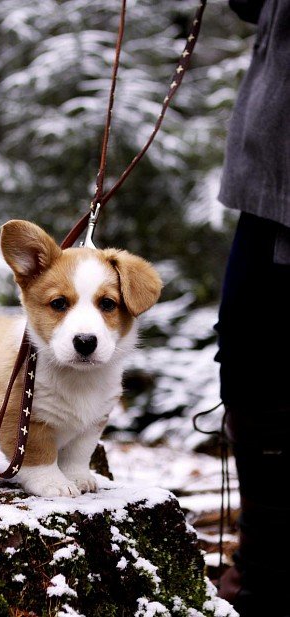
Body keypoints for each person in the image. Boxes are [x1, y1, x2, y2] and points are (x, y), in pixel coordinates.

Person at [214, 1, 290, 615]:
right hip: (268, 183)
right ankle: (264, 566)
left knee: (259, 360)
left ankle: (269, 575)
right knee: (246, 360)